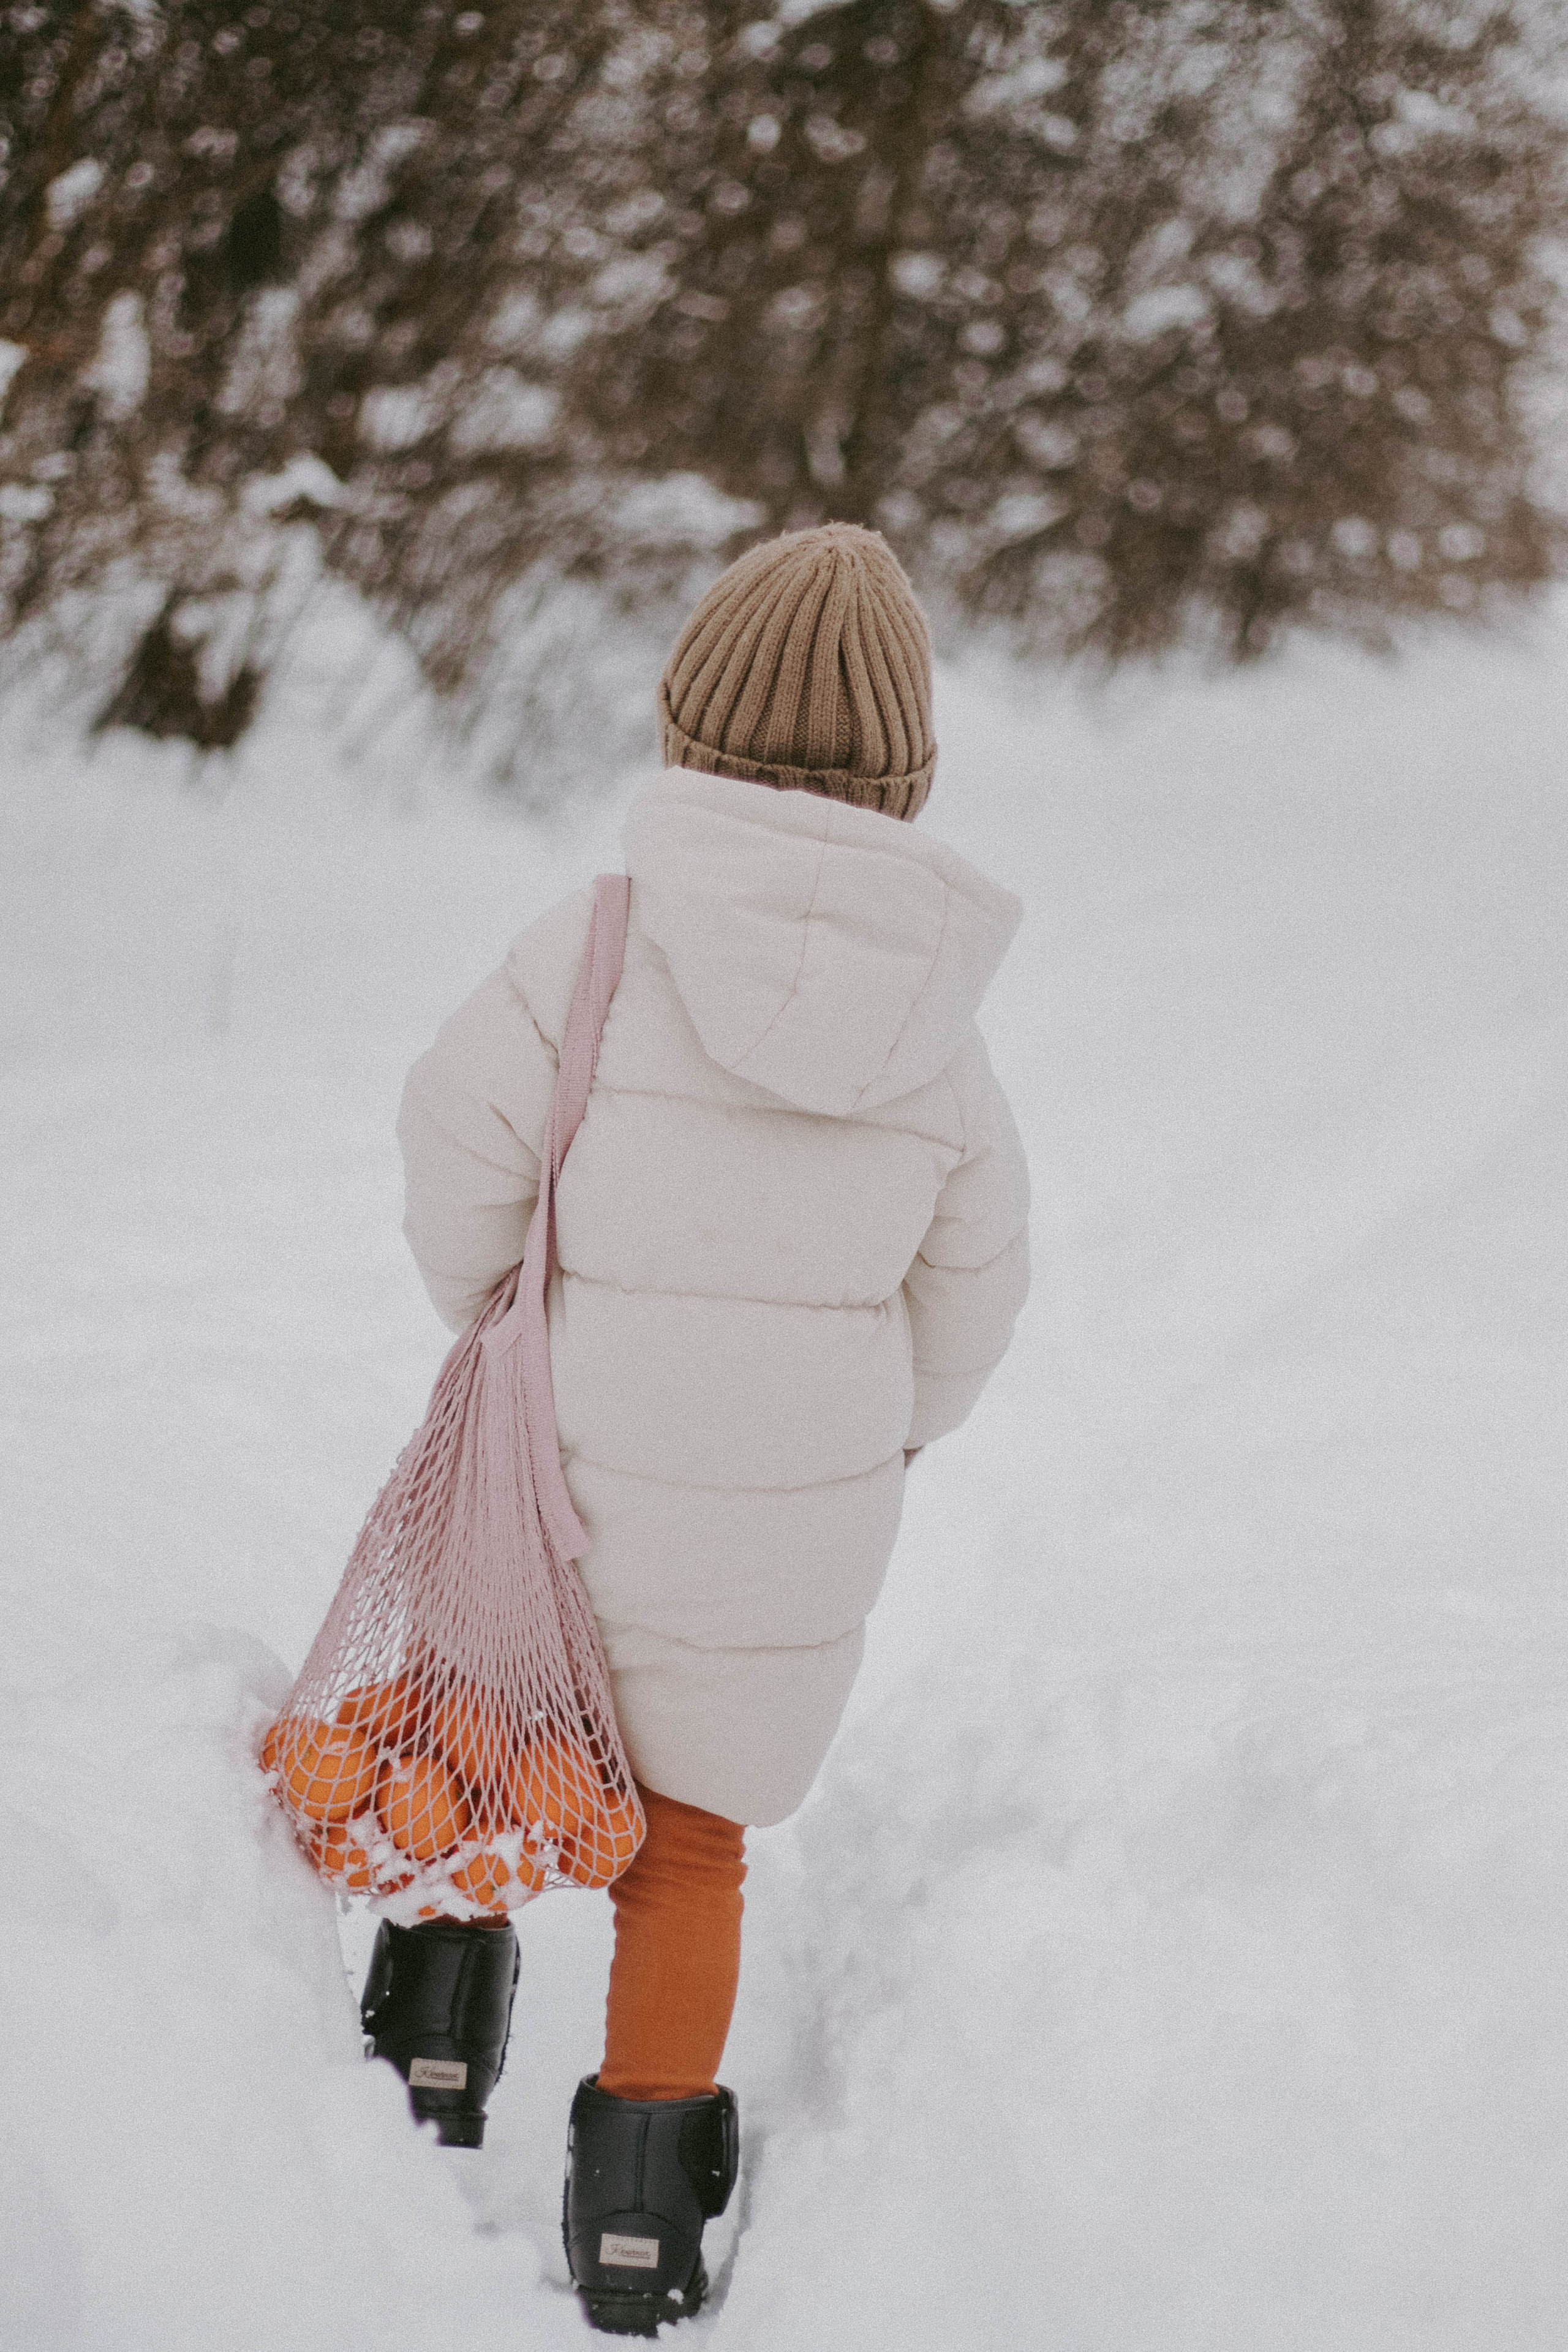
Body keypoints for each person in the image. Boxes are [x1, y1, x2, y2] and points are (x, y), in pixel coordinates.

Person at [363, 522, 1030, 2334]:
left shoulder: (591, 947)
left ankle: (421, 2067)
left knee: (483, 1747)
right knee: (689, 1851)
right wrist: (886, 1439)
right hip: (785, 1536)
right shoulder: (942, 1035)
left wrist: (498, 1311)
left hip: (559, 1481)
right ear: (906, 775)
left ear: (687, 727)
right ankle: (642, 2212)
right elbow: (975, 1291)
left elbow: (455, 1147)